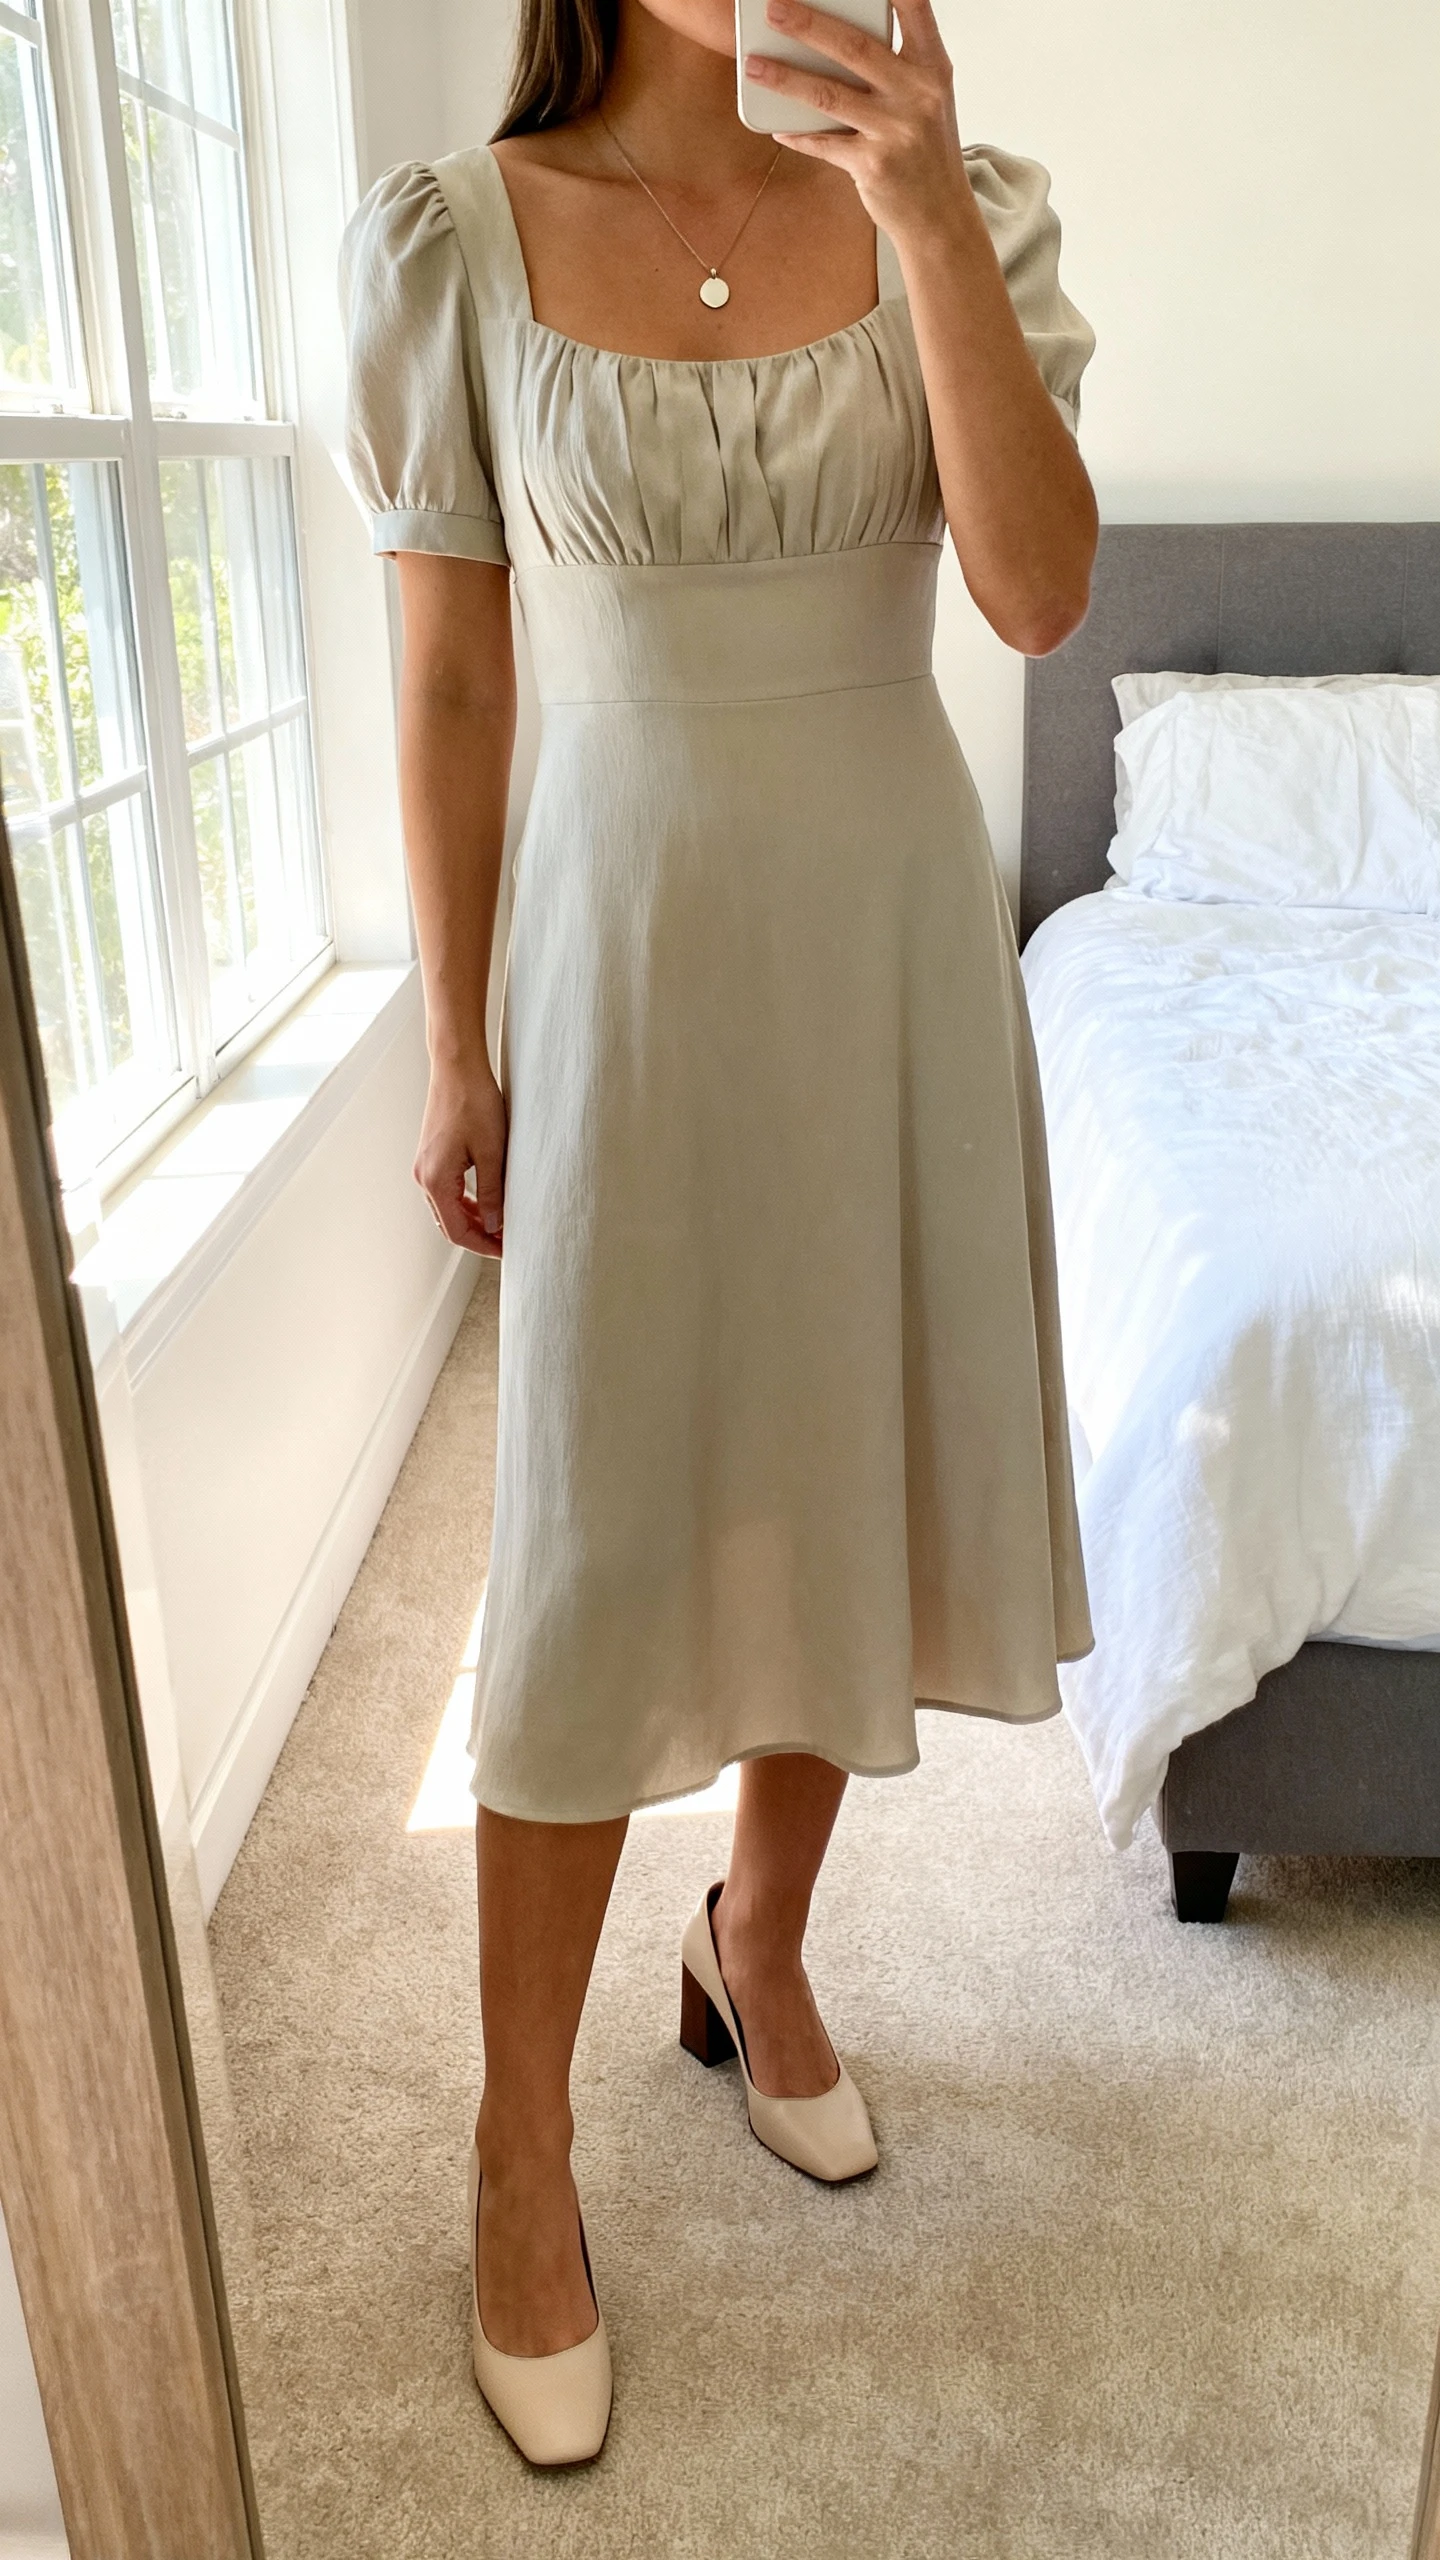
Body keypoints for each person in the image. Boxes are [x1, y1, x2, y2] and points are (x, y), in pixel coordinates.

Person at [339, 0, 1096, 2468]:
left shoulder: (958, 208)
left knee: (828, 1467)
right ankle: (516, 2149)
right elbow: (456, 679)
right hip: (622, 950)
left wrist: (915, 206)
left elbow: (1041, 588)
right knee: (583, 1539)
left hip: (879, 941)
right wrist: (458, 1037)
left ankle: (757, 1936)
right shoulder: (459, 241)